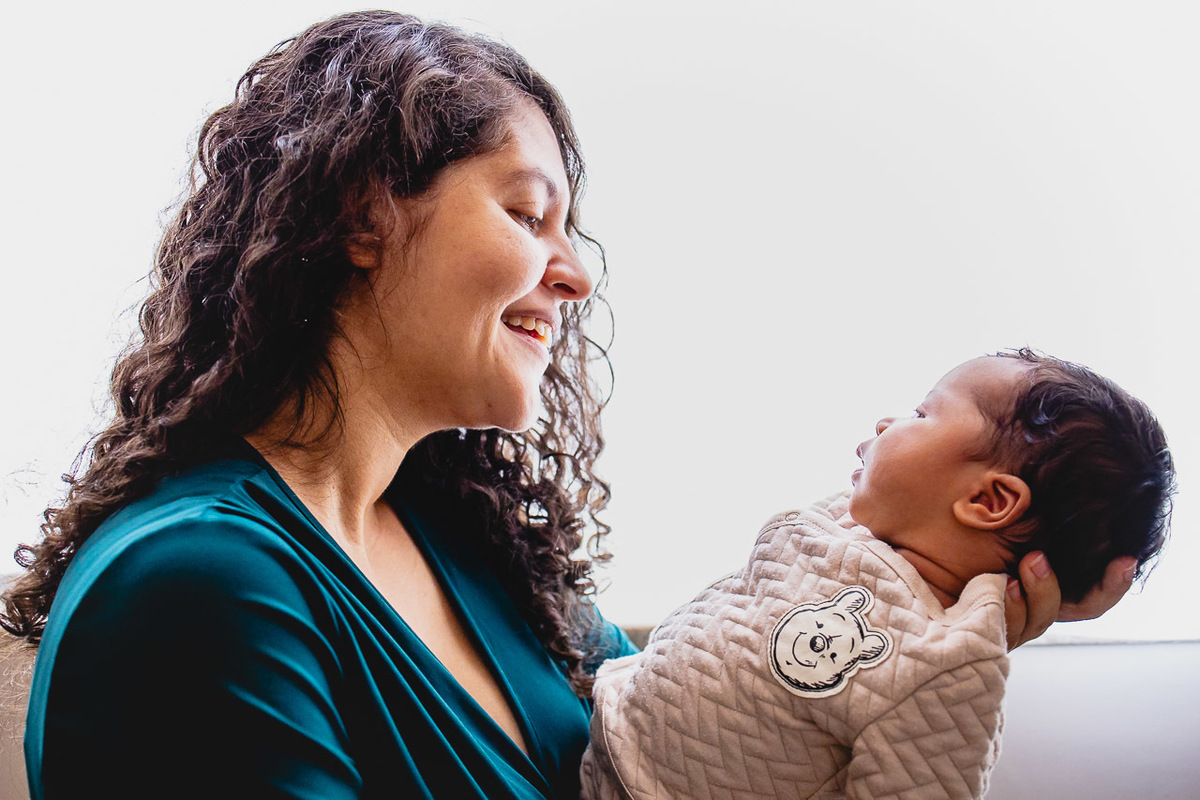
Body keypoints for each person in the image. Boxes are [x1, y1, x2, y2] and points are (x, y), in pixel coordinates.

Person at [0, 11, 1135, 800]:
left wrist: (944, 612)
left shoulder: (462, 543)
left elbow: (727, 695)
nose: (577, 271)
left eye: (569, 230)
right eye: (527, 213)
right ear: (358, 214)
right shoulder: (200, 589)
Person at [580, 350, 1174, 800]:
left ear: (990, 500)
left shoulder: (948, 660)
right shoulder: (848, 523)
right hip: (601, 723)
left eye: (922, 413)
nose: (888, 420)